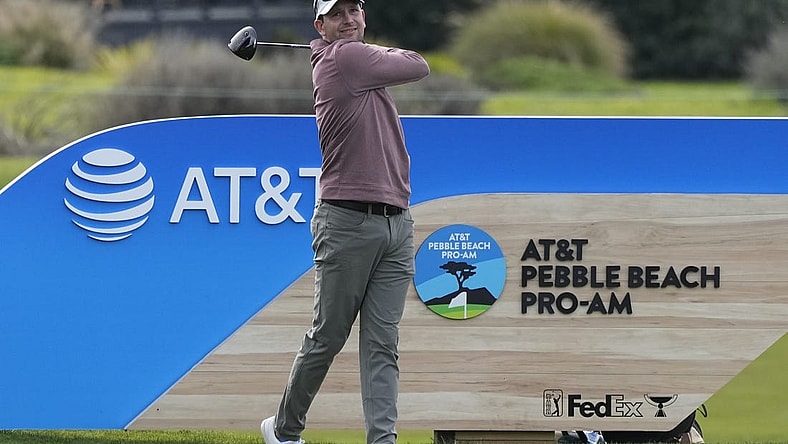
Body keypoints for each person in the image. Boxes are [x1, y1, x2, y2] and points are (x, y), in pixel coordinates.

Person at [260, 1, 430, 443]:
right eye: (337, 15)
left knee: (382, 347)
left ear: (365, 14)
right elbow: (418, 64)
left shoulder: (356, 62)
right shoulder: (345, 57)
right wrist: (374, 50)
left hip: (397, 223)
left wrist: (374, 53)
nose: (348, 19)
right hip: (347, 222)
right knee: (327, 337)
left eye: (354, 10)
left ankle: (382, 440)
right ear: (320, 25)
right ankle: (284, 429)